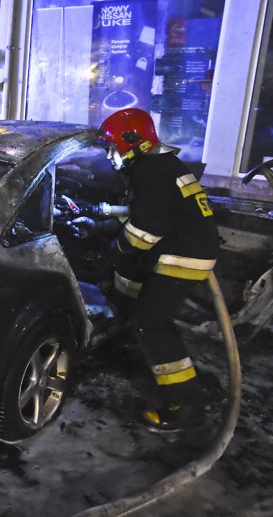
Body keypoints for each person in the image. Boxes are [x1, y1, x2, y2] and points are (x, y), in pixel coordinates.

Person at [76, 108, 219, 431]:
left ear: (132, 143)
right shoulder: (160, 165)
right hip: (189, 248)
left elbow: (145, 231)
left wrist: (117, 247)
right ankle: (139, 349)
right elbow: (153, 211)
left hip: (182, 255)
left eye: (112, 148)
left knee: (150, 323)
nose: (110, 156)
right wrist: (106, 213)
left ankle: (185, 405)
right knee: (143, 310)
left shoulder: (148, 171)